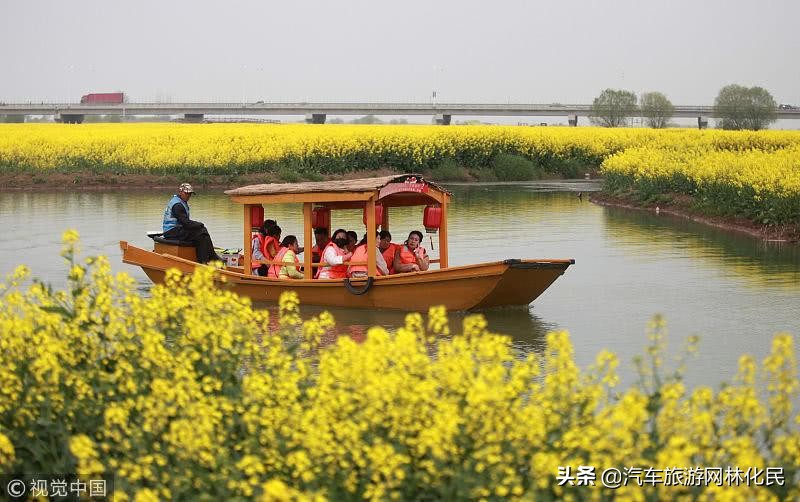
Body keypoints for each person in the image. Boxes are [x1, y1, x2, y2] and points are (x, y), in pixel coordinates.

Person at [162, 183, 223, 264]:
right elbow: (186, 223)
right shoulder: (177, 205)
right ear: (180, 192)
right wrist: (200, 224)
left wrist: (199, 226)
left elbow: (185, 223)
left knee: (202, 232)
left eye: (190, 194)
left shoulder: (180, 201)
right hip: (172, 231)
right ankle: (205, 260)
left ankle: (211, 256)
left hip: (177, 229)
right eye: (186, 193)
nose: (188, 196)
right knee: (201, 232)